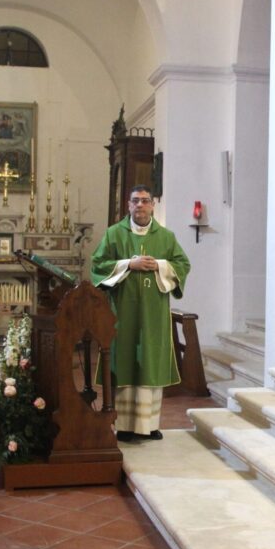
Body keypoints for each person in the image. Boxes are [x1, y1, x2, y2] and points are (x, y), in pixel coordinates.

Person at [91, 185, 190, 442]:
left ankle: (149, 425)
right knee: (124, 362)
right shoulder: (114, 234)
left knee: (149, 363)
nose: (140, 206)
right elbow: (98, 265)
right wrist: (128, 265)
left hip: (153, 314)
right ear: (128, 204)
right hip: (122, 313)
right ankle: (123, 425)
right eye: (135, 201)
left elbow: (182, 264)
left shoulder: (166, 237)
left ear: (153, 205)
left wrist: (159, 265)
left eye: (145, 201)